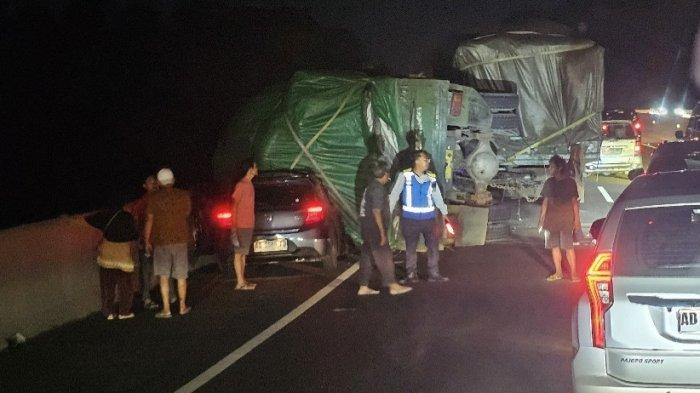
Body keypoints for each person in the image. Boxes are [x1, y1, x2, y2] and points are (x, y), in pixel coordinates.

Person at [389, 150, 450, 283]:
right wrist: (387, 212)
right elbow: (394, 195)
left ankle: (434, 274)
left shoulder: (431, 178)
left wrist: (444, 213)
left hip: (429, 219)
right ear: (416, 161)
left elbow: (437, 197)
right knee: (410, 248)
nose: (427, 162)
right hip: (410, 219)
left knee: (433, 247)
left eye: (428, 160)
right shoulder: (404, 176)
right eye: (425, 160)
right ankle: (411, 274)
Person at [358, 161, 413, 296]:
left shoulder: (371, 186)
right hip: (374, 227)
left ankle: (363, 286)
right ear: (384, 174)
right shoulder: (378, 189)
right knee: (385, 255)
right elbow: (376, 211)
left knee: (367, 255)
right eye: (387, 173)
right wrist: (382, 233)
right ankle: (393, 285)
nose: (389, 176)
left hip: (366, 226)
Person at [144, 168, 192, 318]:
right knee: (181, 276)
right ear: (173, 180)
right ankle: (182, 306)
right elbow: (187, 213)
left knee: (163, 276)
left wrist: (146, 240)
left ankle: (166, 309)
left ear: (159, 182)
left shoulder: (153, 198)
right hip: (180, 240)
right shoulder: (183, 195)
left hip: (161, 242)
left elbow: (149, 221)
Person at [125, 175, 176, 310]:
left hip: (160, 241)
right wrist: (141, 240)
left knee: (163, 269)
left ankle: (170, 295)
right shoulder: (142, 203)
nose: (153, 185)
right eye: (150, 183)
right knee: (148, 271)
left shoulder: (158, 200)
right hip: (148, 242)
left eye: (155, 182)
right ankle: (148, 298)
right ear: (144, 186)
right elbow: (135, 223)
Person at [86, 203, 139, 320]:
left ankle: (108, 312)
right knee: (126, 287)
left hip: (106, 255)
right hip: (123, 256)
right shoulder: (127, 217)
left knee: (107, 286)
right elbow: (135, 234)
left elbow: (89, 219)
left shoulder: (106, 215)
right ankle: (124, 312)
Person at [539, 155, 581, 282]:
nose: (549, 169)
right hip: (554, 220)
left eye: (552, 166)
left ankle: (573, 274)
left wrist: (577, 220)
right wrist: (541, 220)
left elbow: (574, 203)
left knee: (568, 247)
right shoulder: (550, 182)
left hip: (564, 221)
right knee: (555, 247)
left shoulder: (569, 182)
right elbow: (545, 202)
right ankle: (559, 273)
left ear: (559, 167)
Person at [230, 158, 258, 291]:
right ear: (250, 169)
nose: (257, 169)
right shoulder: (242, 185)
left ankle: (243, 280)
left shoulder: (249, 184)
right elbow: (234, 204)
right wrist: (234, 226)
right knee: (238, 253)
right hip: (241, 225)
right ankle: (240, 282)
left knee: (243, 253)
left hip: (247, 224)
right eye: (255, 166)